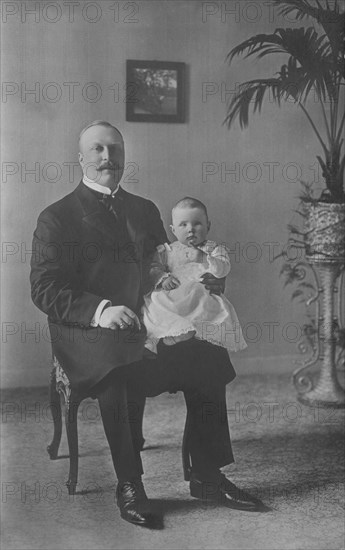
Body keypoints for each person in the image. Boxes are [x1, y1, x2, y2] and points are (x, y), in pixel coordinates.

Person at [30, 120, 263, 529]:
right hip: (86, 326)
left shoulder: (144, 209)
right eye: (98, 150)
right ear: (81, 158)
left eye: (115, 149)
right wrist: (102, 310)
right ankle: (130, 483)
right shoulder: (57, 217)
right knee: (117, 366)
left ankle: (207, 474)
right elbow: (45, 289)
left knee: (207, 352)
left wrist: (208, 279)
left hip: (148, 316)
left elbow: (170, 264)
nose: (108, 157)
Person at [142, 197, 247, 354]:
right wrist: (163, 278)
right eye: (183, 225)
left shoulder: (213, 249)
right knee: (155, 301)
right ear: (173, 230)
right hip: (173, 292)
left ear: (208, 226)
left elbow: (223, 269)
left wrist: (208, 259)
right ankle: (155, 337)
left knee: (205, 303)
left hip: (198, 293)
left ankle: (192, 331)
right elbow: (153, 268)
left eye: (197, 223)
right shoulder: (167, 251)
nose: (190, 229)